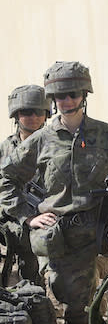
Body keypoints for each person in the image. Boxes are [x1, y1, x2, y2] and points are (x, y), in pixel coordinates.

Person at [0, 62, 108, 324]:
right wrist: (28, 217)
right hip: (64, 236)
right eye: (60, 96)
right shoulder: (41, 140)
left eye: (73, 94)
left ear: (84, 95)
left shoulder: (104, 133)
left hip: (102, 229)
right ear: (53, 100)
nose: (67, 101)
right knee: (75, 314)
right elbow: (6, 179)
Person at [0, 85, 50, 287]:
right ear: (16, 115)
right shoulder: (5, 150)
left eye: (38, 111)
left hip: (43, 226)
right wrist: (23, 216)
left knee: (35, 283)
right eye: (26, 112)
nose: (33, 117)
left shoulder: (57, 147)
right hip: (8, 225)